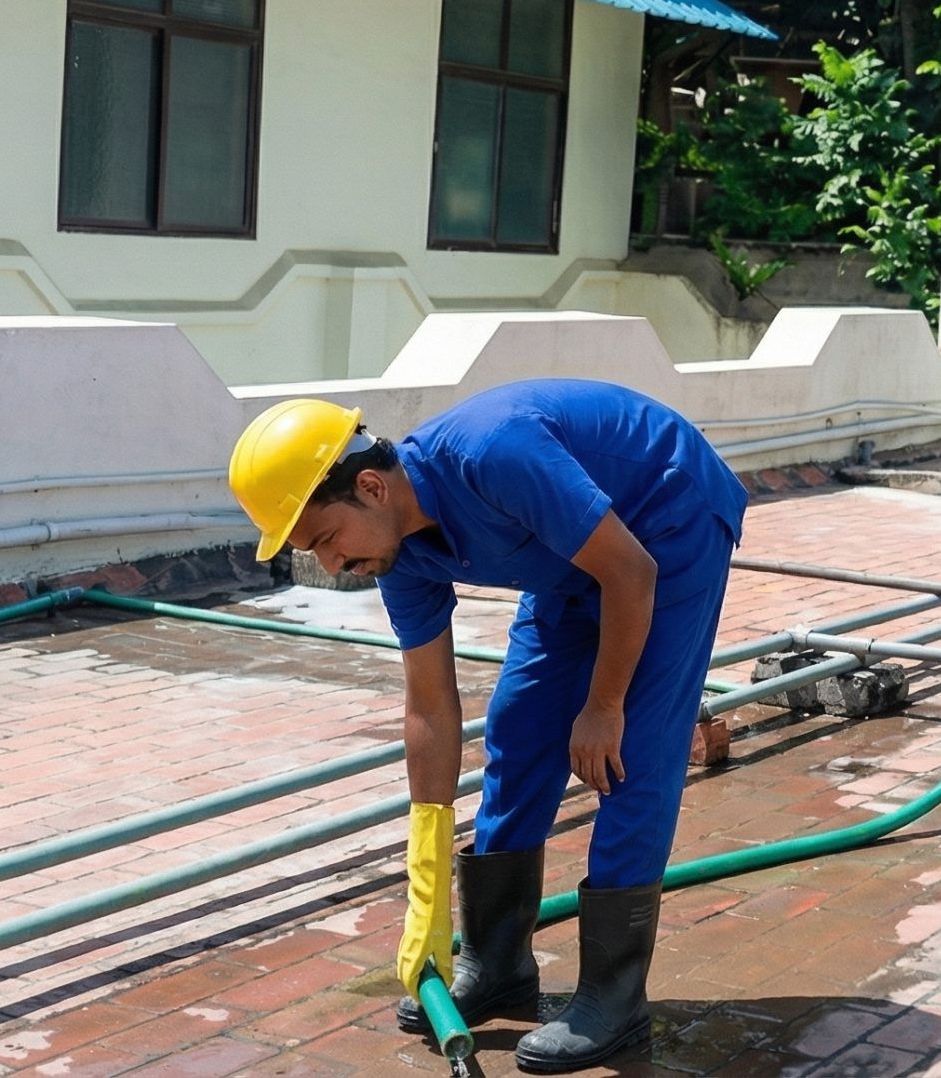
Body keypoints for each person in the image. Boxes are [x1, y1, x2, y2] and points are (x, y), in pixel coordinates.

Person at [225, 379, 747, 1073]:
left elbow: (630, 570)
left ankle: (612, 999)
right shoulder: (396, 556)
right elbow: (430, 709)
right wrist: (426, 885)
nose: (333, 565)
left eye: (326, 538)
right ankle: (497, 960)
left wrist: (603, 703)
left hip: (668, 524)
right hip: (575, 562)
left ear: (373, 487)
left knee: (631, 754)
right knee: (519, 727)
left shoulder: (493, 453)